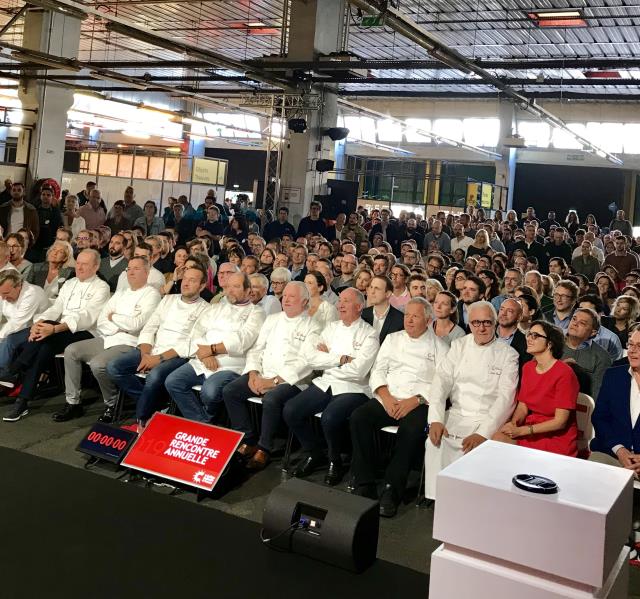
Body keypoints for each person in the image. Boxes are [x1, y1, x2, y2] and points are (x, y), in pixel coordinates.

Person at [350, 298, 448, 515]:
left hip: (419, 403)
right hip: (389, 397)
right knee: (359, 418)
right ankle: (364, 481)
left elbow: (442, 385)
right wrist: (385, 397)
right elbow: (378, 370)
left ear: (428, 320)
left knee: (411, 431)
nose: (409, 320)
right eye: (406, 315)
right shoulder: (393, 339)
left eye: (415, 316)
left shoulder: (440, 347)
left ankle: (392, 489)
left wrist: (415, 400)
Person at [0, 250, 111, 422]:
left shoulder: (101, 287)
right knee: (44, 347)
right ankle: (22, 401)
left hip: (87, 332)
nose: (79, 267)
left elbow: (86, 317)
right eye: (78, 262)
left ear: (96, 266)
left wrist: (53, 329)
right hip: (59, 331)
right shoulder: (70, 283)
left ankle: (14, 372)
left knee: (45, 338)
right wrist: (39, 322)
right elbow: (56, 308)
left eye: (85, 264)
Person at [222, 282, 323, 470]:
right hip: (263, 373)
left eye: (291, 297)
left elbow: (305, 363)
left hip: (293, 380)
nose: (286, 300)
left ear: (304, 301)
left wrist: (273, 381)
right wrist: (253, 372)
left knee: (271, 399)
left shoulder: (313, 325)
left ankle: (264, 448)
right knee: (230, 391)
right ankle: (247, 438)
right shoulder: (272, 319)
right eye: (284, 296)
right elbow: (256, 349)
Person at [283, 288, 379, 485]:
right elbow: (310, 358)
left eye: (346, 301)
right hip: (326, 382)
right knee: (291, 410)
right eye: (340, 300)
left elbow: (359, 371)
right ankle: (314, 452)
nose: (340, 304)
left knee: (330, 417)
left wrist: (327, 359)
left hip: (354, 388)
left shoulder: (369, 334)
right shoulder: (331, 328)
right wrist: (341, 359)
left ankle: (335, 461)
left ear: (359, 307)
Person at [425, 301, 519, 500]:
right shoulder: (459, 345)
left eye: (486, 322)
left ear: (495, 324)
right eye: (476, 323)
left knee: (475, 450)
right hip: (457, 413)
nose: (481, 328)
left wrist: (482, 433)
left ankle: (468, 503)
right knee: (434, 441)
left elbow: (506, 399)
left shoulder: (508, 354)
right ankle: (439, 500)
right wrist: (435, 419)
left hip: (486, 418)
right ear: (470, 324)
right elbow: (441, 381)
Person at [54, 256, 161, 423]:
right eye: (129, 269)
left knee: (98, 364)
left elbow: (137, 325)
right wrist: (118, 324)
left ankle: (112, 403)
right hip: (108, 337)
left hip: (130, 342)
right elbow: (103, 321)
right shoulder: (120, 293)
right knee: (71, 351)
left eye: (136, 269)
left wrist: (115, 318)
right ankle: (73, 402)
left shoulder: (152, 294)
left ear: (146, 272)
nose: (131, 272)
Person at [107, 265, 210, 430]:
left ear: (202, 286)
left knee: (154, 376)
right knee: (114, 367)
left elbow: (190, 344)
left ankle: (141, 419)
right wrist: (146, 354)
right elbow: (150, 327)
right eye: (185, 279)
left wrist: (159, 358)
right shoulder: (168, 299)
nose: (186, 283)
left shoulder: (206, 309)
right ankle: (157, 403)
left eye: (192, 280)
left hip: (176, 356)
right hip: (152, 349)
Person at [165, 272, 265, 424]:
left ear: (247, 290)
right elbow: (196, 332)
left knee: (209, 393)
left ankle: (204, 425)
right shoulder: (216, 308)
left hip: (230, 366)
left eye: (236, 287)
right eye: (228, 287)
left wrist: (211, 349)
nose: (230, 290)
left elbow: (243, 339)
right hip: (203, 361)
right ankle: (203, 424)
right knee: (173, 381)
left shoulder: (256, 312)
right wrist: (206, 355)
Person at [494, 321, 579, 456]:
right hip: (530, 426)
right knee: (497, 438)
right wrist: (514, 424)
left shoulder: (565, 373)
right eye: (529, 334)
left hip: (555, 436)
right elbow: (523, 406)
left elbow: (560, 422)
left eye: (535, 336)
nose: (528, 338)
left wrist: (523, 431)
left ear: (550, 343)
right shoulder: (528, 367)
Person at [591, 325, 640, 471]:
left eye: (639, 346)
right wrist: (619, 450)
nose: (632, 350)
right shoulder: (613, 376)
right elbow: (599, 418)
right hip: (612, 454)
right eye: (630, 344)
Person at [0, 271, 48, 369]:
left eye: (6, 293)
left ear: (18, 286)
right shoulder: (3, 292)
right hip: (18, 328)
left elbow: (17, 323)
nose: (3, 298)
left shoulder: (32, 293)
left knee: (9, 339)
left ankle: (4, 374)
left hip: (38, 330)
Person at [562, 308, 612, 399]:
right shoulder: (552, 344)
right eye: (574, 319)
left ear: (593, 332)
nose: (575, 324)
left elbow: (597, 395)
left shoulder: (602, 357)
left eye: (582, 323)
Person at [361, 275, 404, 344]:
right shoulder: (362, 315)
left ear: (388, 294)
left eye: (377, 288)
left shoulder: (400, 320)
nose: (372, 291)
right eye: (371, 287)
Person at [496, 297, 530, 369]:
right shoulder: (487, 335)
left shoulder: (526, 343)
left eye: (510, 311)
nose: (503, 313)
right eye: (502, 309)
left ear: (519, 317)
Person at [31, 185, 62, 263]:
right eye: (43, 194)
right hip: (34, 244)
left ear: (52, 197)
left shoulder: (56, 212)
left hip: (48, 245)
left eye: (48, 195)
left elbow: (56, 227)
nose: (45, 196)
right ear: (40, 196)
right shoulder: (34, 209)